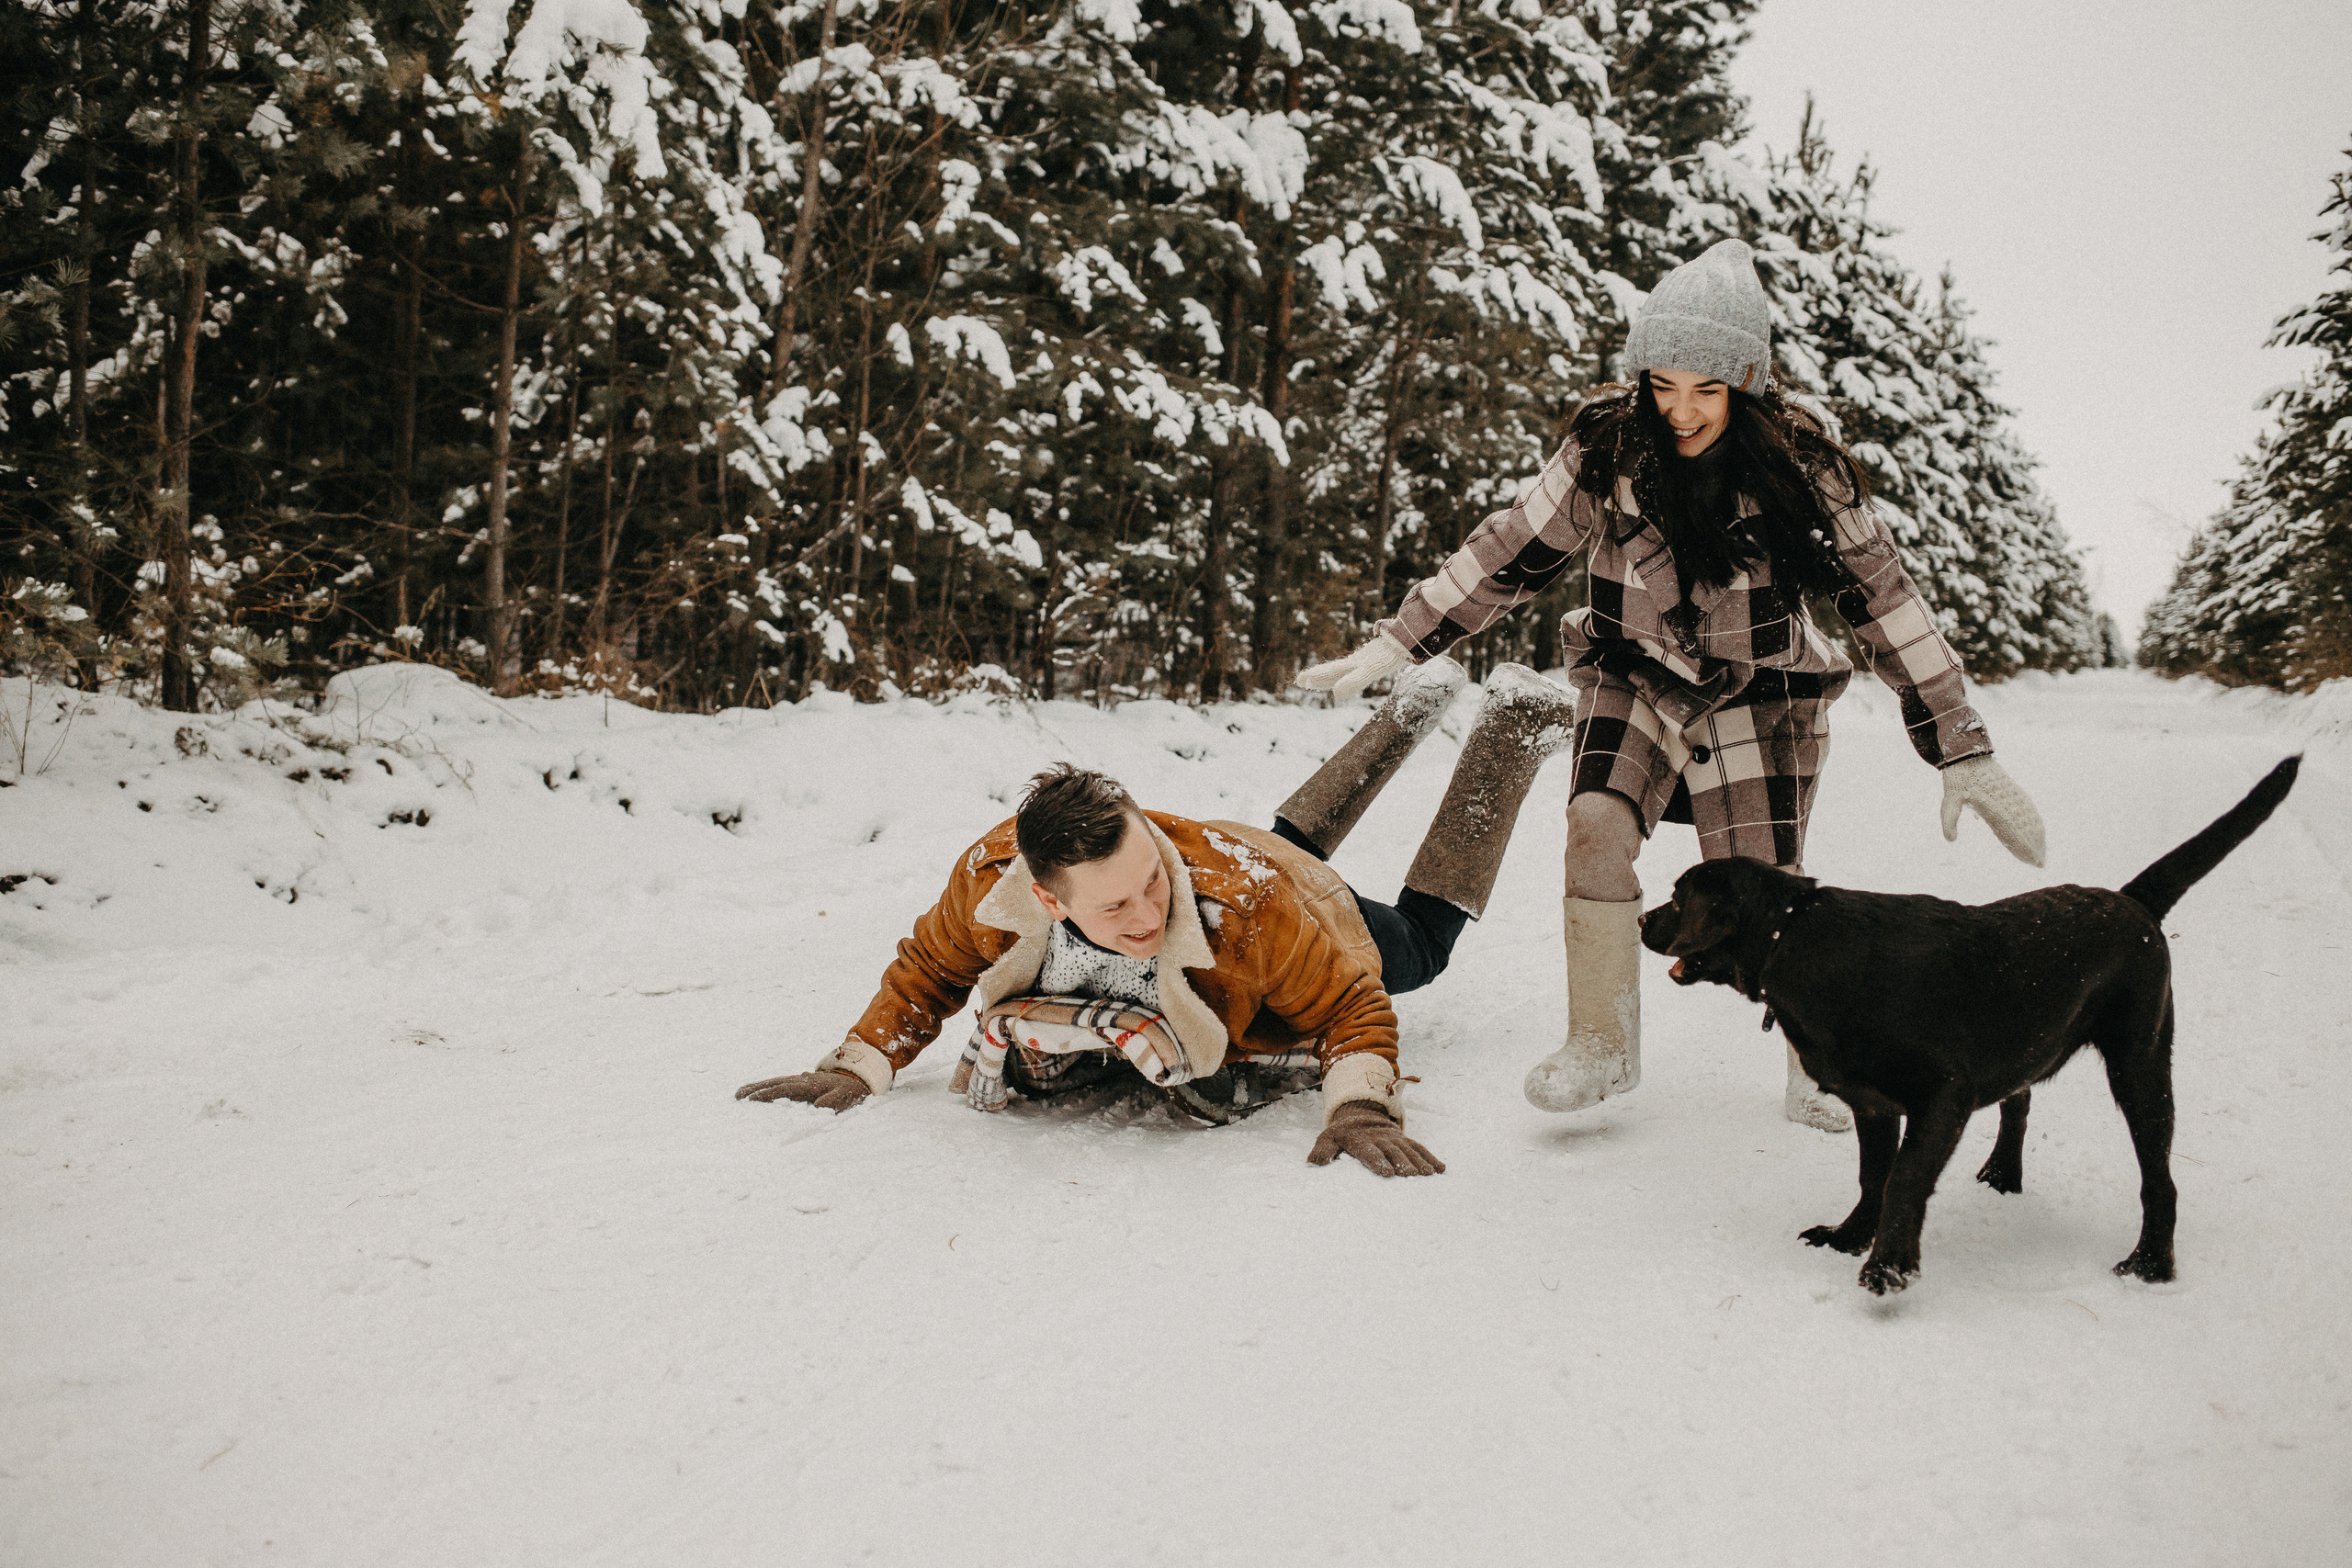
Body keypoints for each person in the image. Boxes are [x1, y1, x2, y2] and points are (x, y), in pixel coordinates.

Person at [1297, 237, 2046, 1129]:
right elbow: (1513, 550)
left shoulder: (1803, 466)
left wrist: (1958, 743)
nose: (1680, 410)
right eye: (1663, 385)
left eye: (1706, 389)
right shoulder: (1606, 445)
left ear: (1747, 384)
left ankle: (1818, 1060)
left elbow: (1879, 599)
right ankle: (1602, 1044)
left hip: (1760, 690)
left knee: (1765, 888)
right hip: (1633, 674)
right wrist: (1400, 642)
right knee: (1593, 825)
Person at [735, 661, 1580, 1174]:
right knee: (1274, 849)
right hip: (1240, 859)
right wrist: (859, 1064)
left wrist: (1358, 1106)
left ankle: (1513, 727)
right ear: (1046, 897)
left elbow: (1353, 1007)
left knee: (1421, 946)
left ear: (1143, 825)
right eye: (1115, 904)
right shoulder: (992, 879)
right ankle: (1417, 701)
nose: (1147, 912)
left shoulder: (1236, 907)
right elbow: (929, 970)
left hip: (1275, 892)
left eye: (1150, 883)